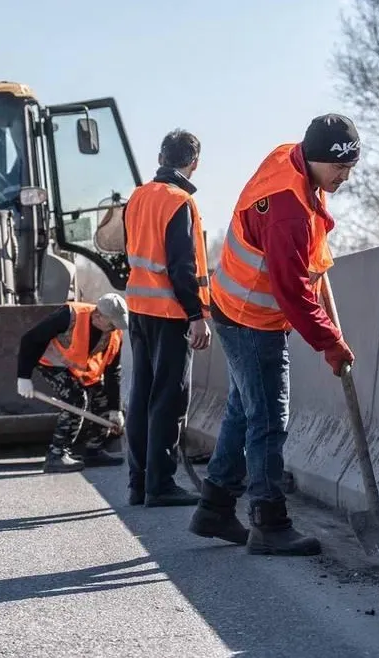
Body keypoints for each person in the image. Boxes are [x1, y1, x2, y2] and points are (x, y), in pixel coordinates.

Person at [188, 115, 358, 556]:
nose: (345, 176)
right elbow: (291, 292)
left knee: (245, 410)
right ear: (316, 158)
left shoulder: (290, 157)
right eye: (339, 167)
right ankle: (269, 521)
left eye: (351, 167)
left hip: (232, 302)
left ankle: (215, 507)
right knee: (268, 418)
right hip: (252, 316)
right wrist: (329, 342)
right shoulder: (287, 212)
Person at [122, 129, 212, 507]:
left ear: (161, 157)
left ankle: (138, 483)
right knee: (169, 398)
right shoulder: (179, 202)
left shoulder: (137, 197)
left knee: (141, 396)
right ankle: (161, 485)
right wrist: (196, 315)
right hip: (171, 312)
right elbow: (181, 266)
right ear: (194, 163)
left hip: (139, 310)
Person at [16, 294, 128, 474]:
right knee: (75, 398)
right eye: (112, 323)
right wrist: (24, 377)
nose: (114, 328)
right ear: (97, 316)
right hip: (52, 362)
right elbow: (30, 339)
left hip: (79, 367)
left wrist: (116, 409)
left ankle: (94, 450)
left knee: (103, 397)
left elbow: (113, 371)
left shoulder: (115, 335)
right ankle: (56, 455)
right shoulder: (70, 315)